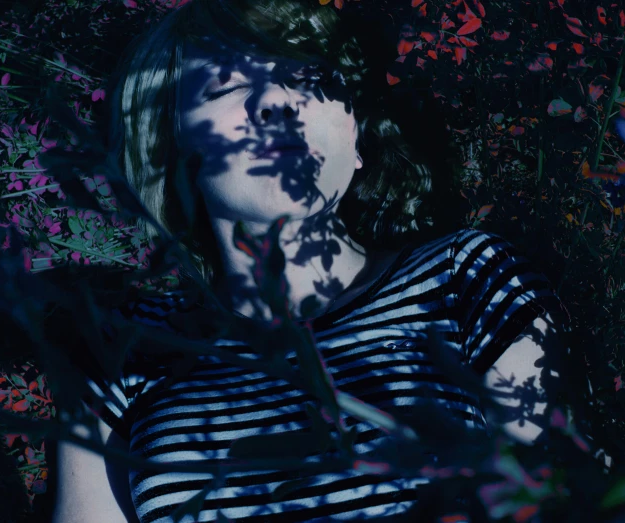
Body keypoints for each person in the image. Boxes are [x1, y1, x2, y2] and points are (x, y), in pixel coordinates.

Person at [51, 1, 571, 522]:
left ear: (357, 137)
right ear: (170, 151)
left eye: (308, 76)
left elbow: (556, 502)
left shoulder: (466, 278)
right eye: (228, 86)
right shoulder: (121, 350)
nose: (277, 99)